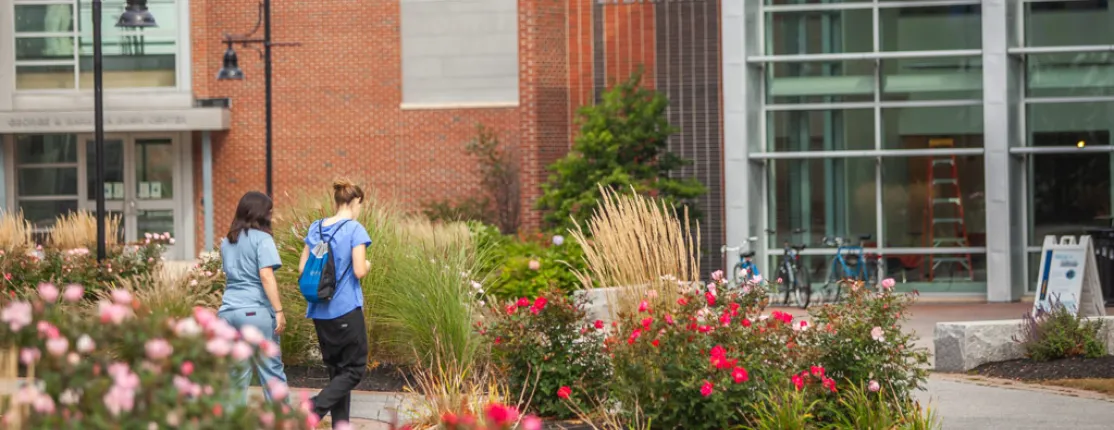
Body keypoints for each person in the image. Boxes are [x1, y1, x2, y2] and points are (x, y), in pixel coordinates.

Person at [299, 179, 372, 425]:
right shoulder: (354, 229)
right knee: (354, 369)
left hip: (319, 311)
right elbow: (360, 270)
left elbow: (302, 269)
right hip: (345, 309)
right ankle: (313, 409)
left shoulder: (315, 228)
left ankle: (341, 424)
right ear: (354, 201)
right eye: (360, 204)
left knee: (337, 372)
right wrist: (368, 265)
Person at [217, 191, 287, 406]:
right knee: (271, 371)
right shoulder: (263, 239)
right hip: (255, 311)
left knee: (236, 373)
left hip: (228, 312)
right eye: (269, 212)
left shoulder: (227, 242)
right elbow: (265, 275)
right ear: (260, 213)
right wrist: (279, 311)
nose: (271, 216)